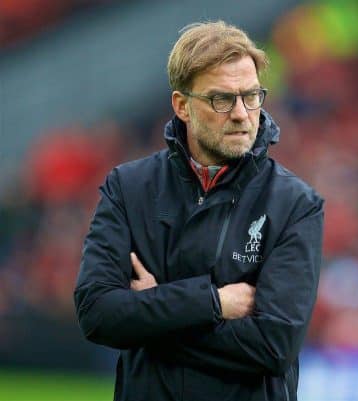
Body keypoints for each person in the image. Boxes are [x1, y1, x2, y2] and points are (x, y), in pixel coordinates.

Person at [74, 20, 324, 401]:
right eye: (222, 99)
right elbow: (97, 314)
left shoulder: (294, 204)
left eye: (252, 96)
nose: (241, 113)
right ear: (182, 106)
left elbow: (274, 346)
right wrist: (214, 302)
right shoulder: (128, 188)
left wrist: (154, 312)